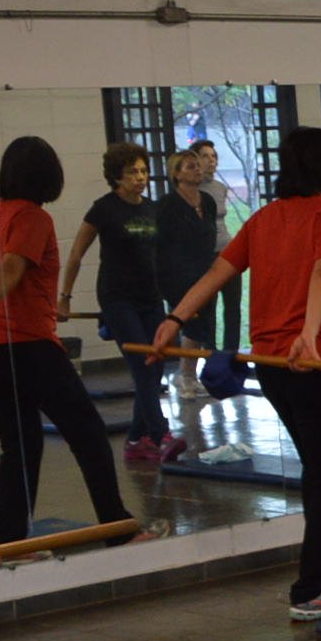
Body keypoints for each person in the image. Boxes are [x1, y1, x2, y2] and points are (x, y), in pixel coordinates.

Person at [154, 125, 321, 621]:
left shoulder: (265, 218)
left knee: (319, 468)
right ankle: (312, 588)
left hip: (274, 367)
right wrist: (311, 332)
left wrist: (174, 319)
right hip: (314, 364)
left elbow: (215, 274)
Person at [0, 135, 141, 546]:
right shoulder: (34, 218)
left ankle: (9, 538)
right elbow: (11, 264)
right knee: (88, 433)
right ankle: (116, 526)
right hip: (28, 347)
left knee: (21, 446)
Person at [61, 143, 185, 464]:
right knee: (143, 365)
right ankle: (160, 434)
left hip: (150, 297)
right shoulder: (104, 209)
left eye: (143, 171)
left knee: (155, 365)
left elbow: (165, 257)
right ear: (117, 176)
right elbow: (75, 255)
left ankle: (135, 439)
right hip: (117, 298)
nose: (140, 177)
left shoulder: (153, 208)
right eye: (132, 172)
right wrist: (65, 297)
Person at [158, 143, 229, 423]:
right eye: (190, 167)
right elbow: (163, 244)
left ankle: (188, 372)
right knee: (192, 322)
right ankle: (185, 373)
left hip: (204, 270)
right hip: (177, 273)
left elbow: (210, 235)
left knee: (203, 325)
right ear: (176, 174)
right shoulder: (168, 205)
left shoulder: (207, 202)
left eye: (198, 165)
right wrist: (173, 275)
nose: (198, 170)